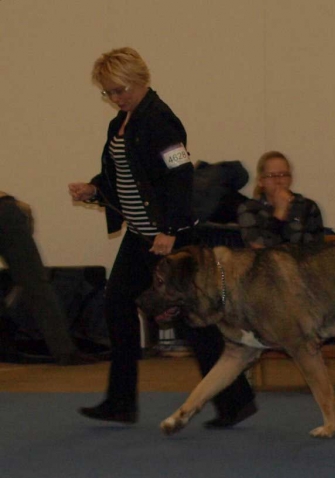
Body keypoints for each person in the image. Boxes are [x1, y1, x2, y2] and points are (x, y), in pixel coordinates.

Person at [68, 47, 256, 425]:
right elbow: (121, 175)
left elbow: (180, 176)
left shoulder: (160, 120)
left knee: (193, 321)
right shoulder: (122, 122)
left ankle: (234, 400)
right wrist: (93, 188)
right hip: (140, 236)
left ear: (141, 80)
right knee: (118, 304)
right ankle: (121, 402)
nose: (116, 98)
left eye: (121, 89)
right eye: (109, 93)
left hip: (167, 238)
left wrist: (170, 230)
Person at [0, 191, 96, 365]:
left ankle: (65, 351)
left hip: (6, 210)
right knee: (37, 285)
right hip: (7, 209)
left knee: (36, 284)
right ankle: (65, 351)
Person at [237, 151, 324, 248]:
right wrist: (279, 212)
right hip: (266, 263)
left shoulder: (307, 206)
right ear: (261, 181)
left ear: (290, 179)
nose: (278, 180)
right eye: (271, 176)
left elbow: (316, 249)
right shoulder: (249, 209)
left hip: (301, 262)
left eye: (283, 175)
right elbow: (259, 250)